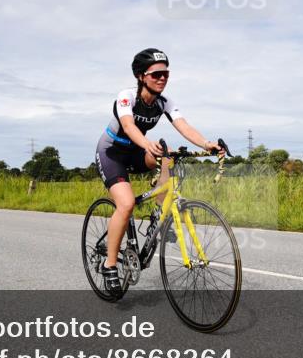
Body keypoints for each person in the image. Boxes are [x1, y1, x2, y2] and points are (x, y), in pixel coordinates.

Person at [94, 49, 222, 292]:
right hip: (112, 152)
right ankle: (110, 265)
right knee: (126, 204)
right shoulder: (127, 97)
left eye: (166, 73)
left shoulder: (165, 102)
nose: (162, 78)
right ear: (141, 76)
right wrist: (146, 144)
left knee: (169, 155)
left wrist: (207, 144)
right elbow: (129, 126)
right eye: (157, 74)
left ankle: (158, 214)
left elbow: (184, 126)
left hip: (136, 150)